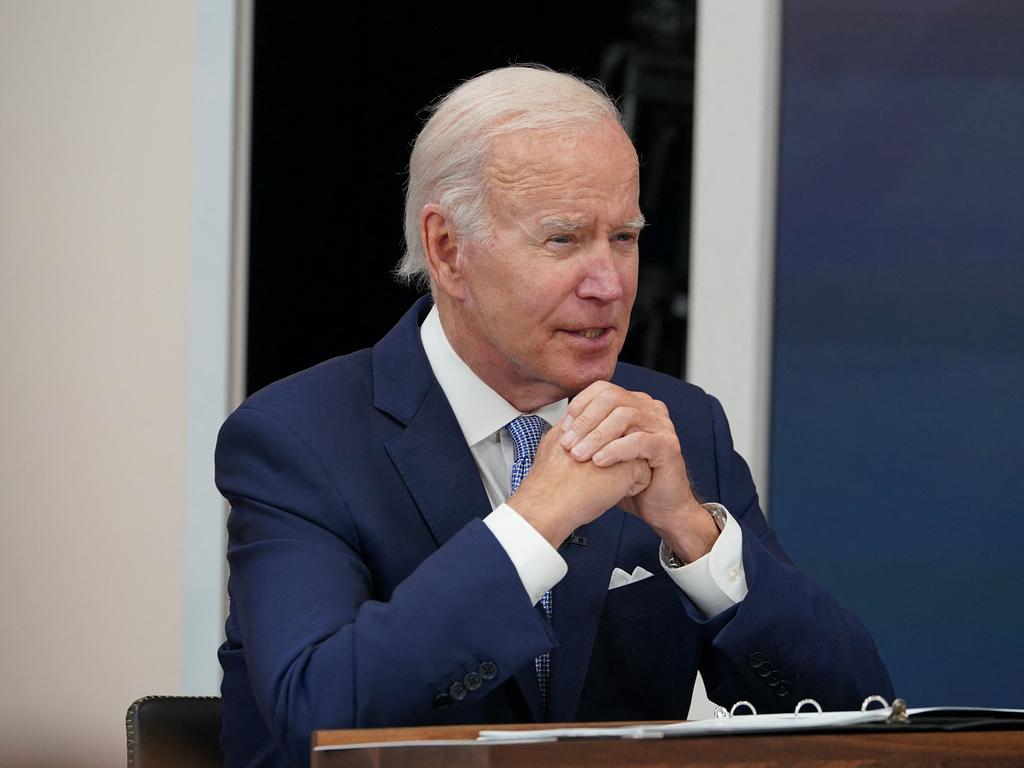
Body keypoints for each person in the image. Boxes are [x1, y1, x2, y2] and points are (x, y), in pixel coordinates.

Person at [216, 65, 892, 768]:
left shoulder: (679, 426)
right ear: (448, 250)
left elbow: (862, 718)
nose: (609, 285)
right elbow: (317, 717)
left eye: (624, 239)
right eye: (564, 240)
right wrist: (534, 524)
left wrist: (694, 535)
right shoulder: (298, 440)